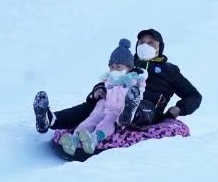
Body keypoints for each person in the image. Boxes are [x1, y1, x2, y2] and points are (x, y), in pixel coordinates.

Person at [34, 28, 202, 136]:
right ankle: (51, 118)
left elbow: (194, 95)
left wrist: (179, 108)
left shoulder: (169, 70)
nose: (145, 45)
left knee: (143, 106)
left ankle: (128, 114)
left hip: (148, 108)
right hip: (115, 100)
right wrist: (97, 90)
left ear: (160, 47)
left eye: (151, 43)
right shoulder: (128, 63)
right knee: (95, 106)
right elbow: (109, 79)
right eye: (142, 42)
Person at [53, 39, 149, 157]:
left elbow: (140, 93)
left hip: (119, 111)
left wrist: (135, 86)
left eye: (118, 66)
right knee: (91, 119)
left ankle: (94, 138)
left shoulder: (134, 80)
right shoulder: (109, 80)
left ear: (128, 67)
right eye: (112, 67)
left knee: (107, 122)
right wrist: (99, 91)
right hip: (105, 107)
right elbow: (100, 88)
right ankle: (74, 139)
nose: (114, 70)